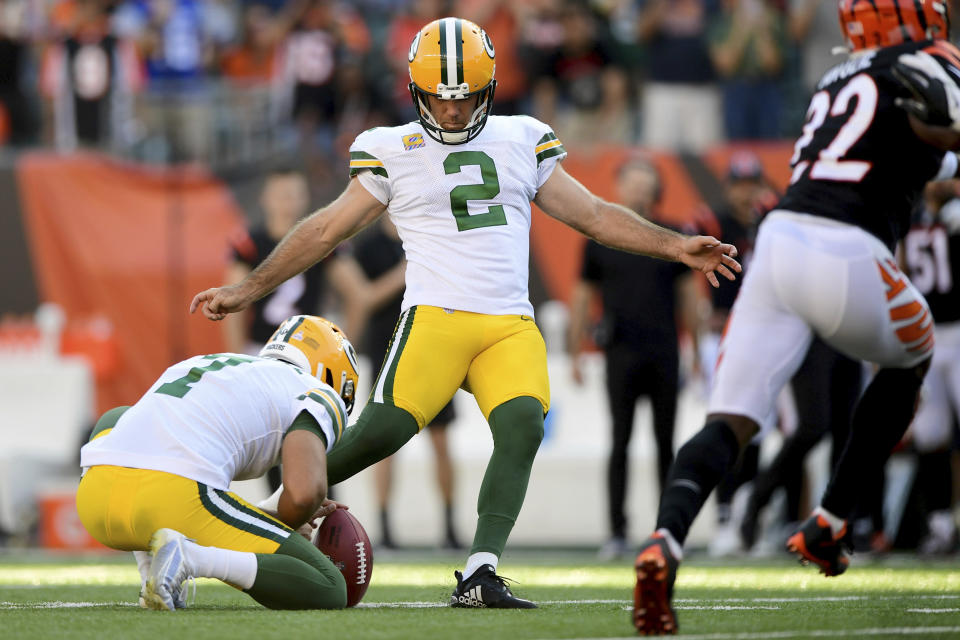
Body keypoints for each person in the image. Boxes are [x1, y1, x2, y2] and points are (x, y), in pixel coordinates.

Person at [191, 16, 740, 610]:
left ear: (489, 88)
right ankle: (258, 513)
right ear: (415, 92)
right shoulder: (391, 149)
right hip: (436, 317)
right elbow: (324, 230)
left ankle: (480, 570)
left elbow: (595, 215)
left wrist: (674, 245)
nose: (452, 112)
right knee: (384, 431)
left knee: (524, 425)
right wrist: (248, 289)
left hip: (509, 321)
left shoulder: (523, 137)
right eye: (440, 98)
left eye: (464, 97)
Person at [632, 0, 960, 633]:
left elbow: (927, 151)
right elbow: (944, 124)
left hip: (778, 244)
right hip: (846, 248)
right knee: (912, 353)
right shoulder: (928, 60)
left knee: (730, 421)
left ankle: (665, 540)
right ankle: (832, 522)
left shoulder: (836, 79)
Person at [76, 315, 359, 611]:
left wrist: (263, 515)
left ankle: (152, 574)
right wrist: (291, 521)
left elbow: (116, 420)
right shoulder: (319, 394)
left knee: (121, 416)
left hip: (95, 501)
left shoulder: (205, 363)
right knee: (329, 587)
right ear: (333, 375)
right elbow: (303, 494)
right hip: (172, 501)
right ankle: (189, 557)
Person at [567, 157, 701, 560]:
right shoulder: (600, 239)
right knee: (620, 442)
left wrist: (695, 351)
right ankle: (617, 532)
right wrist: (576, 351)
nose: (639, 189)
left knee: (665, 444)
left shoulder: (674, 236)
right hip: (620, 352)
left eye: (646, 183)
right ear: (620, 187)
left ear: (655, 190)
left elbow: (689, 297)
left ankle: (668, 530)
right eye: (633, 181)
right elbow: (581, 296)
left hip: (664, 350)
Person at [353, 217, 463, 551]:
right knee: (384, 444)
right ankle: (384, 527)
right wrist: (407, 270)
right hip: (389, 353)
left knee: (442, 442)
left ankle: (449, 526)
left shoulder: (431, 234)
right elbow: (364, 297)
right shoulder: (368, 247)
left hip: (434, 351)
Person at [904, 179, 960, 554]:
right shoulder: (904, 212)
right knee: (930, 435)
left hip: (958, 329)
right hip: (923, 336)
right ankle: (940, 523)